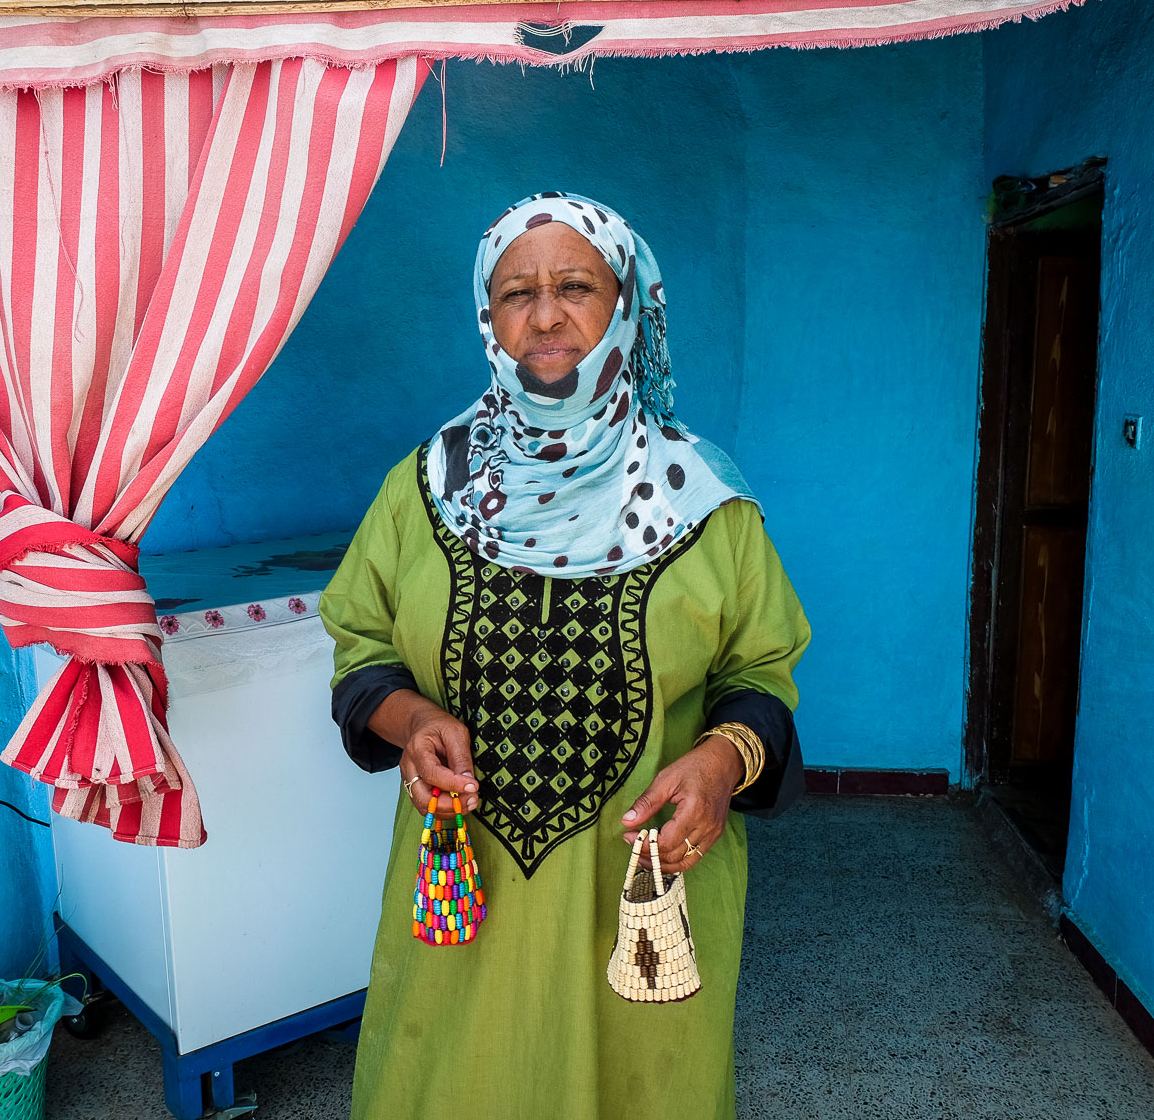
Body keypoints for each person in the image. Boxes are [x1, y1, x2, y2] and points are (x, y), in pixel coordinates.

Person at [319, 191, 810, 1120]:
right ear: (487, 316)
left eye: (576, 285)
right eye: (516, 292)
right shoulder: (424, 487)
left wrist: (717, 760)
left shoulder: (706, 501)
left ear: (626, 304)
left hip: (645, 891)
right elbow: (362, 645)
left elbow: (761, 675)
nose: (545, 316)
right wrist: (412, 718)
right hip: (462, 897)